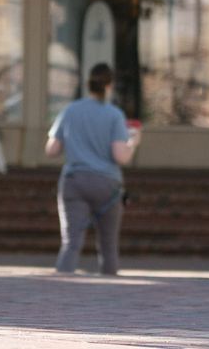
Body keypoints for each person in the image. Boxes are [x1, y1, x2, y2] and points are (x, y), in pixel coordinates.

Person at [44, 63, 141, 275]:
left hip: (74, 181)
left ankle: (60, 289)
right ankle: (111, 297)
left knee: (71, 243)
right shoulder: (114, 115)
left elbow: (52, 149)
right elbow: (120, 155)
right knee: (108, 246)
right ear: (109, 86)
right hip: (107, 185)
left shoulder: (70, 111)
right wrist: (133, 142)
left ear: (88, 85)